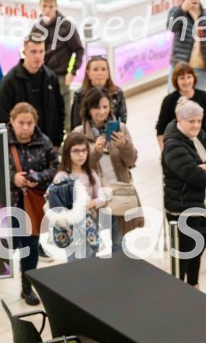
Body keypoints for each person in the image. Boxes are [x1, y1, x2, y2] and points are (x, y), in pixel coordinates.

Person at [0, 103, 59, 311]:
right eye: (21, 123)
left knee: (30, 248)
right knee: (1, 249)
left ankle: (27, 287)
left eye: (30, 123)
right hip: (5, 206)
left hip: (31, 206)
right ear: (12, 121)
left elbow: (55, 168)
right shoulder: (0, 141)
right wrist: (12, 179)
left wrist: (37, 177)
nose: (25, 127)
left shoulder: (43, 142)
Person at [163, 99, 206, 287]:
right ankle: (180, 291)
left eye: (199, 121)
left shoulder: (199, 135)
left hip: (202, 205)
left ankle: (193, 285)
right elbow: (193, 175)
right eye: (192, 121)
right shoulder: (173, 144)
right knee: (185, 254)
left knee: (198, 250)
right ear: (179, 120)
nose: (196, 125)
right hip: (184, 209)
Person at [73, 86, 140, 250]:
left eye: (105, 106)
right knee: (91, 243)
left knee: (119, 242)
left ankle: (119, 275)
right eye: (97, 107)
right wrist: (95, 151)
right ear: (88, 109)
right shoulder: (79, 133)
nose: (102, 112)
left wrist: (124, 145)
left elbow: (131, 160)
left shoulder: (120, 129)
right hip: (94, 195)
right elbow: (78, 167)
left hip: (118, 192)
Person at [0, 33, 65, 150]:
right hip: (18, 146)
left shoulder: (51, 78)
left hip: (47, 144)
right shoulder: (10, 81)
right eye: (33, 52)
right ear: (24, 52)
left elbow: (59, 111)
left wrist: (58, 140)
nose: (37, 56)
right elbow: (1, 117)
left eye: (41, 51)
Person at [32, 0, 84, 135]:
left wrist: (72, 72)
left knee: (65, 113)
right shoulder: (37, 28)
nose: (47, 10)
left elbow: (79, 50)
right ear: (40, 6)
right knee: (43, 112)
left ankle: (67, 143)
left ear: (56, 6)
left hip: (61, 77)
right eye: (44, 7)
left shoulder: (67, 26)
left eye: (50, 6)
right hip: (42, 77)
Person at [52, 133, 107, 261]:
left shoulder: (91, 174)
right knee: (74, 264)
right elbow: (57, 205)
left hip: (90, 226)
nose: (81, 155)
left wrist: (90, 204)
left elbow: (102, 197)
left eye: (84, 150)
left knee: (91, 261)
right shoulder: (62, 177)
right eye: (76, 151)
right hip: (71, 229)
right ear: (67, 153)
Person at [155, 62, 206, 154]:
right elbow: (160, 130)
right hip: (179, 145)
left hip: (202, 141)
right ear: (176, 80)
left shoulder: (205, 97)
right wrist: (164, 152)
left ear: (194, 78)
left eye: (189, 77)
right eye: (182, 78)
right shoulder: (169, 100)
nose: (186, 82)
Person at [70, 55, 127, 129]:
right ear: (88, 72)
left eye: (103, 69)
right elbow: (76, 124)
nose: (100, 73)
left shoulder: (117, 93)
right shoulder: (80, 95)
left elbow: (122, 119)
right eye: (95, 69)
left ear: (108, 73)